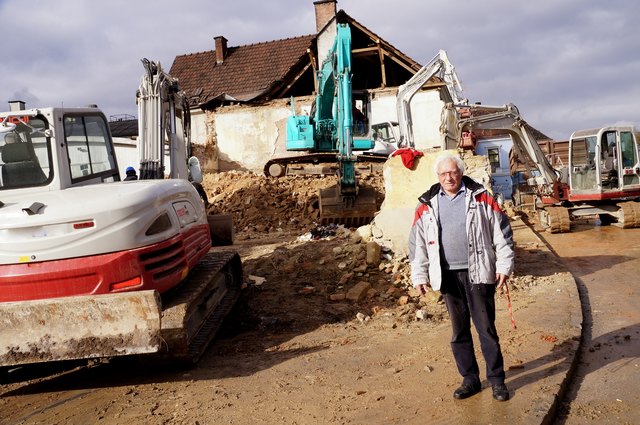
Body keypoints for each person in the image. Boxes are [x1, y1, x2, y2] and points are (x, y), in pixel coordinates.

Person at [409, 152, 514, 402]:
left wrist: (504, 266)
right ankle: (470, 379)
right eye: (444, 173)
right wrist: (419, 274)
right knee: (459, 331)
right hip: (447, 276)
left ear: (461, 173)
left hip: (479, 272)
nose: (449, 177)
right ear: (438, 176)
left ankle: (497, 380)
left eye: (453, 172)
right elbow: (418, 244)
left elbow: (502, 233)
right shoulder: (426, 203)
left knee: (486, 329)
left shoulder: (481, 197)